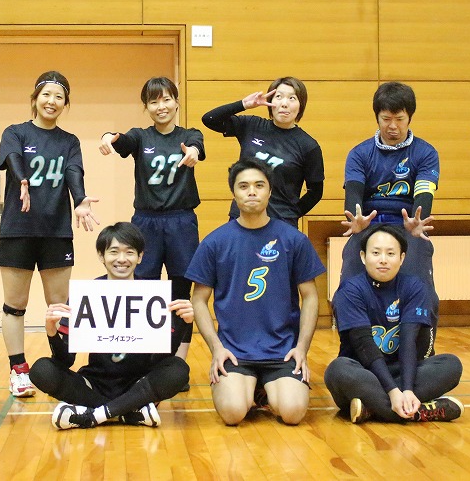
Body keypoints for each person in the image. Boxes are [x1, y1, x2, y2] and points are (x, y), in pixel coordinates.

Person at [186, 158, 325, 426]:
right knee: (233, 413)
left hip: (282, 351)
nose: (252, 192)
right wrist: (216, 348)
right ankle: (252, 389)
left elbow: (310, 296)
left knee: (293, 413)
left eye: (259, 185)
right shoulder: (215, 242)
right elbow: (199, 300)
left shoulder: (293, 239)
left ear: (270, 191)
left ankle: (262, 389)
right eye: (244, 186)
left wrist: (301, 349)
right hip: (234, 351)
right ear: (233, 193)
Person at [29, 222, 192, 429]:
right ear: (101, 256)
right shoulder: (87, 293)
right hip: (94, 383)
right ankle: (127, 413)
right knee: (41, 370)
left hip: (139, 384)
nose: (122, 259)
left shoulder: (153, 295)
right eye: (114, 252)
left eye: (129, 252)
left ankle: (95, 415)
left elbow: (161, 358)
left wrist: (183, 324)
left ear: (140, 257)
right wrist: (52, 332)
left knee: (178, 369)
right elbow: (66, 361)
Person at [0, 71, 100, 397]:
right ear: (35, 98)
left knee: (59, 306)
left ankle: (60, 368)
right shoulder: (15, 132)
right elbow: (13, 158)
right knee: (15, 305)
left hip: (56, 233)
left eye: (59, 96)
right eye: (46, 95)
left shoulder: (69, 141)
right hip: (18, 231)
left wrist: (80, 199)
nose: (51, 101)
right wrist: (22, 179)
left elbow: (73, 172)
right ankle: (18, 371)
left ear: (65, 103)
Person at [99, 77, 205, 361]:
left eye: (167, 99)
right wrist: (108, 136)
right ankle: (144, 360)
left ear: (177, 102)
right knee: (144, 289)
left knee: (180, 292)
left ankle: (178, 362)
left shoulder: (190, 135)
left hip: (181, 221)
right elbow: (121, 140)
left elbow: (196, 146)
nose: (161, 106)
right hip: (146, 222)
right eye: (154, 101)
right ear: (146, 107)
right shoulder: (141, 136)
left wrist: (193, 152)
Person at [324, 224, 463, 423]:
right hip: (364, 371)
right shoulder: (350, 290)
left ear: (402, 258)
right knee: (337, 370)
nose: (383, 259)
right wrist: (392, 391)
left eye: (390, 253)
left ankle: (373, 408)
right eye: (376, 253)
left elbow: (408, 341)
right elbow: (364, 346)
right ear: (363, 257)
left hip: (402, 371)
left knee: (451, 365)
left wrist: (406, 389)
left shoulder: (415, 287)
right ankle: (419, 412)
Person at [339, 81, 440, 325]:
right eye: (386, 119)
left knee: (423, 292)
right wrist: (356, 218)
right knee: (347, 290)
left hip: (407, 228)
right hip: (368, 226)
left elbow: (424, 192)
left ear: (410, 118)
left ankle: (418, 345)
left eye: (399, 119)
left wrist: (417, 222)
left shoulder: (426, 153)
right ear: (377, 117)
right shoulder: (359, 153)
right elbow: (354, 190)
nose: (392, 126)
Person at [201, 77, 324, 227]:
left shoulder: (308, 145)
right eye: (278, 97)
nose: (284, 103)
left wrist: (292, 213)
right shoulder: (251, 125)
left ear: (301, 105)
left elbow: (315, 192)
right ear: (270, 102)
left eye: (292, 98)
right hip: (242, 218)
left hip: (281, 223)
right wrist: (243, 104)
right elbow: (209, 119)